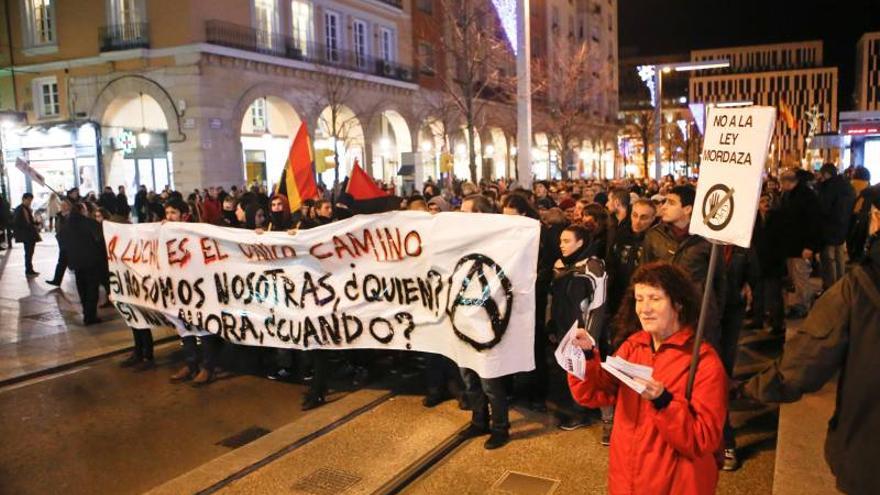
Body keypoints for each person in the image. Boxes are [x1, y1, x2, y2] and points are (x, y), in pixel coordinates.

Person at [745, 187, 880, 495]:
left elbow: (803, 363)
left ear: (876, 219)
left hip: (869, 451)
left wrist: (746, 389)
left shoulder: (857, 287)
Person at [568, 262, 727, 495]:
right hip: (627, 477)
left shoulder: (703, 362)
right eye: (639, 298)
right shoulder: (633, 347)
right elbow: (596, 393)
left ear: (678, 304)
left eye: (654, 298)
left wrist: (664, 402)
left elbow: (703, 439)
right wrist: (586, 356)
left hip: (675, 483)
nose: (644, 308)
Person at [458, 194, 510, 449]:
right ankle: (479, 420)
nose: (459, 215)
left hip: (486, 321)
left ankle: (500, 427)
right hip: (462, 320)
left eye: (465, 211)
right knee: (468, 375)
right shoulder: (457, 240)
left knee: (490, 379)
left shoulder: (497, 240)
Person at [641, 185, 723, 348]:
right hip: (664, 313)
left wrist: (715, 312)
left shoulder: (707, 238)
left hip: (699, 316)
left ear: (687, 209)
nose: (663, 207)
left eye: (671, 203)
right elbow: (644, 275)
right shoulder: (654, 236)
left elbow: (719, 279)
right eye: (664, 202)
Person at [551, 224, 608, 433]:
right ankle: (571, 409)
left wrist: (590, 338)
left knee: (582, 373)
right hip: (563, 328)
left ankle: (582, 414)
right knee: (567, 372)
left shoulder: (593, 267)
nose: (561, 245)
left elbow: (598, 304)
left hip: (581, 332)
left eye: (567, 241)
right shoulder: (561, 264)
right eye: (560, 241)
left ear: (581, 242)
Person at [778, 168, 822, 318]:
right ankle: (798, 304)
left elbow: (814, 223)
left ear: (789, 182)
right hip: (791, 245)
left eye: (782, 182)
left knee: (801, 277)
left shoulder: (806, 196)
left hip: (801, 246)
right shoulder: (789, 195)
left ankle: (803, 306)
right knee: (795, 278)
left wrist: (810, 246)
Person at [57, 199, 105, 325]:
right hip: (92, 261)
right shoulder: (90, 223)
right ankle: (90, 316)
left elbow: (62, 243)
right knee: (92, 289)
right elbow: (100, 241)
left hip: (76, 263)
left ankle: (86, 312)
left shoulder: (66, 226)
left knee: (82, 288)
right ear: (82, 211)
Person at [816, 163, 856, 290]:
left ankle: (831, 287)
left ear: (826, 174)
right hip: (843, 226)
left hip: (829, 227)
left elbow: (824, 207)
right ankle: (841, 284)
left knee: (829, 258)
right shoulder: (847, 186)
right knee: (839, 256)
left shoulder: (829, 187)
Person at [12, 192, 41, 277]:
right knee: (28, 252)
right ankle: (29, 270)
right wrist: (31, 225)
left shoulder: (26, 208)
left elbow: (29, 221)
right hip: (27, 234)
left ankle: (29, 269)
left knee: (30, 252)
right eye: (28, 200)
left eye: (31, 200)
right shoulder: (20, 209)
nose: (30, 201)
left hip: (29, 234)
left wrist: (35, 223)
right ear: (24, 199)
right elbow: (17, 222)